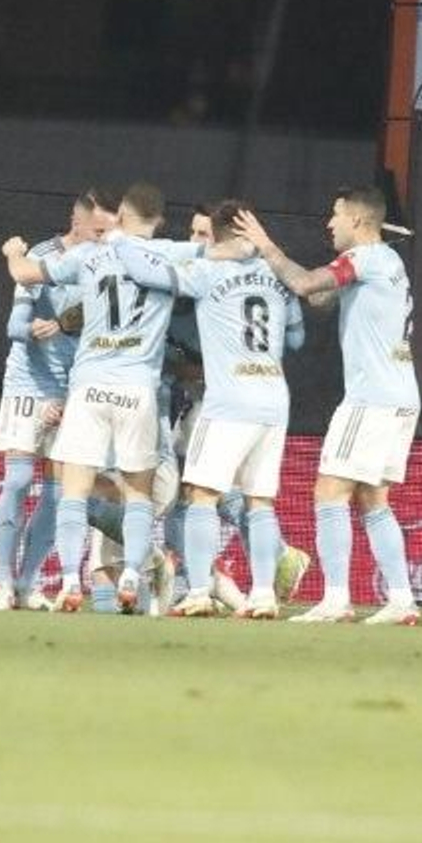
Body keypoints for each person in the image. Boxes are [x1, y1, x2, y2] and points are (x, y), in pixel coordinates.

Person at [3, 183, 198, 613]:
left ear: (122, 215)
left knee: (73, 490)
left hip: (89, 388)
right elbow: (218, 253)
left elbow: (26, 274)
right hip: (138, 390)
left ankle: (70, 581)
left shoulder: (89, 255)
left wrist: (13, 252)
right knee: (138, 493)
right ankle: (132, 575)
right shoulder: (170, 253)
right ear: (159, 220)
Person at [235, 187, 422, 625]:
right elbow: (318, 296)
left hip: (371, 399)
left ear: (357, 220)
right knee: (373, 500)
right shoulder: (388, 262)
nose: (329, 223)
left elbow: (304, 284)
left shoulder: (366, 259)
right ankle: (401, 599)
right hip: (401, 397)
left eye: (336, 215)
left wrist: (265, 246)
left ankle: (336, 599)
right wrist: (285, 275)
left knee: (329, 492)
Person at [115, 200, 305, 618]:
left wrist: (120, 238)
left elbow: (146, 272)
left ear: (216, 237)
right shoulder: (277, 274)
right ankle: (263, 595)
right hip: (274, 399)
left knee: (200, 494)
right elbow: (296, 338)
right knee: (259, 501)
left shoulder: (206, 272)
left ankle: (199, 591)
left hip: (229, 400)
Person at [0, 189, 115, 611]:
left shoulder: (107, 266)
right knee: (18, 480)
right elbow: (14, 326)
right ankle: (2, 583)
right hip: (28, 384)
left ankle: (27, 582)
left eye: (109, 232)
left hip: (75, 389)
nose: (104, 239)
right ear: (77, 221)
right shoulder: (42, 257)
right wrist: (35, 329)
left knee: (59, 494)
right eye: (98, 231)